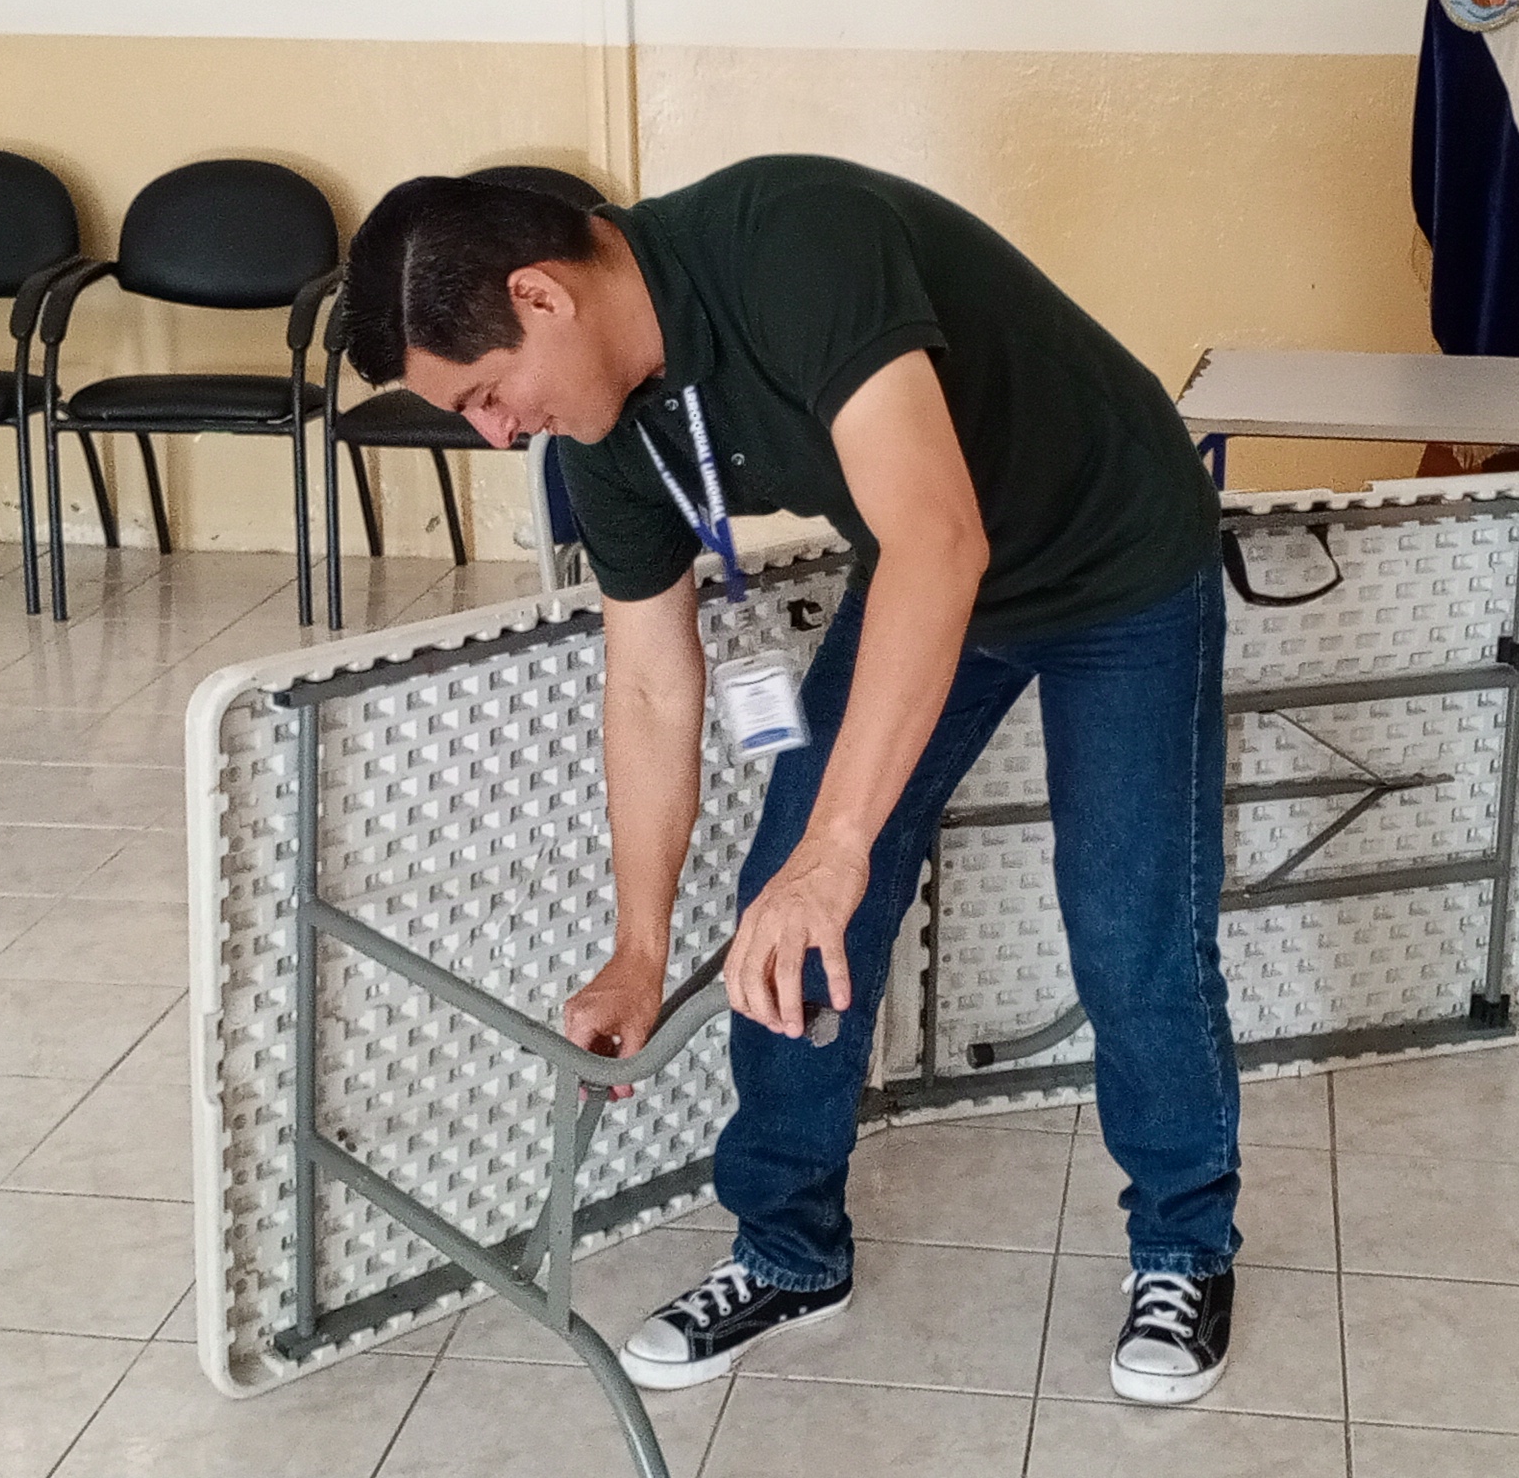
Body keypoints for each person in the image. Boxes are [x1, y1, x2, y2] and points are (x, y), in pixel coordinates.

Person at [337, 156, 1243, 1404]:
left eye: (487, 394)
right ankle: (788, 1252)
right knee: (787, 902)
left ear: (541, 296)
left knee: (1130, 921)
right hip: (940, 581)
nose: (497, 433)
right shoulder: (604, 432)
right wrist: (640, 947)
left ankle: (1184, 1247)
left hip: (1114, 558)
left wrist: (841, 845)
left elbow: (939, 539)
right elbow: (651, 685)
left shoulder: (795, 240)